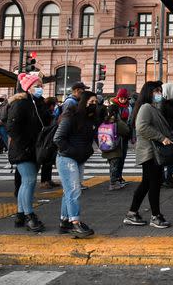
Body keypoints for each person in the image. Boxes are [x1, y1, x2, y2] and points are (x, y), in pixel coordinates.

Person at [124, 81, 173, 229]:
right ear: (149, 92)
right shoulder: (146, 107)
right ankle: (155, 216)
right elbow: (142, 127)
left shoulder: (151, 107)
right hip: (150, 152)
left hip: (151, 152)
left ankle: (132, 213)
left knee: (147, 183)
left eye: (160, 91)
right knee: (154, 184)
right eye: (156, 91)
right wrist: (162, 138)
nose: (159, 94)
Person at [54, 91, 99, 238]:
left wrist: (86, 152)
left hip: (78, 158)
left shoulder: (89, 119)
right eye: (91, 102)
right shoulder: (70, 116)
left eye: (96, 102)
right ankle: (75, 222)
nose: (94, 105)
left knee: (70, 191)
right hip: (67, 158)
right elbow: (58, 138)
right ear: (84, 102)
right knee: (74, 190)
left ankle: (65, 221)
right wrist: (73, 152)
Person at [6, 73, 46, 232]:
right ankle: (29, 215)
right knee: (29, 181)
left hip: (33, 148)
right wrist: (25, 145)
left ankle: (21, 214)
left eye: (41, 86)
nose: (40, 88)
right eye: (37, 86)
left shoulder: (36, 103)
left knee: (26, 182)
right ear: (28, 88)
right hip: (24, 149)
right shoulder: (21, 104)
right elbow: (11, 128)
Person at [101, 108, 130, 191]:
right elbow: (126, 131)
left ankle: (114, 182)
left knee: (112, 166)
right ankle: (113, 183)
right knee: (114, 166)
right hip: (115, 149)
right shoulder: (117, 123)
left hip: (106, 147)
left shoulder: (105, 122)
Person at [108, 88, 132, 186]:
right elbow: (109, 120)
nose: (122, 100)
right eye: (121, 98)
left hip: (125, 136)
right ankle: (114, 180)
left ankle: (119, 177)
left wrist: (132, 135)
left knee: (122, 157)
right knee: (115, 158)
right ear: (117, 97)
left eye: (124, 98)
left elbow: (130, 122)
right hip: (115, 136)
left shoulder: (129, 107)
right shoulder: (113, 107)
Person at [160, 83, 173, 188]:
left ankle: (169, 177)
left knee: (172, 157)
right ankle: (164, 178)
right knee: (166, 156)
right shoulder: (163, 103)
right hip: (166, 133)